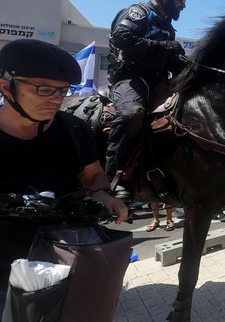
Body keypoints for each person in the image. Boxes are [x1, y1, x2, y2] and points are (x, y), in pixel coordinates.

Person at [0, 39, 129, 308]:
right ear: (5, 87)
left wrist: (103, 194)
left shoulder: (75, 129)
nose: (56, 100)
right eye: (44, 89)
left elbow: (93, 175)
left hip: (64, 255)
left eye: (62, 91)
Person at [105, 0, 189, 198]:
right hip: (131, 80)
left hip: (159, 82)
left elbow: (169, 60)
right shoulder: (139, 12)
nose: (183, 5)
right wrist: (162, 46)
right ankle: (113, 178)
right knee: (132, 114)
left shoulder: (168, 27)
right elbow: (123, 38)